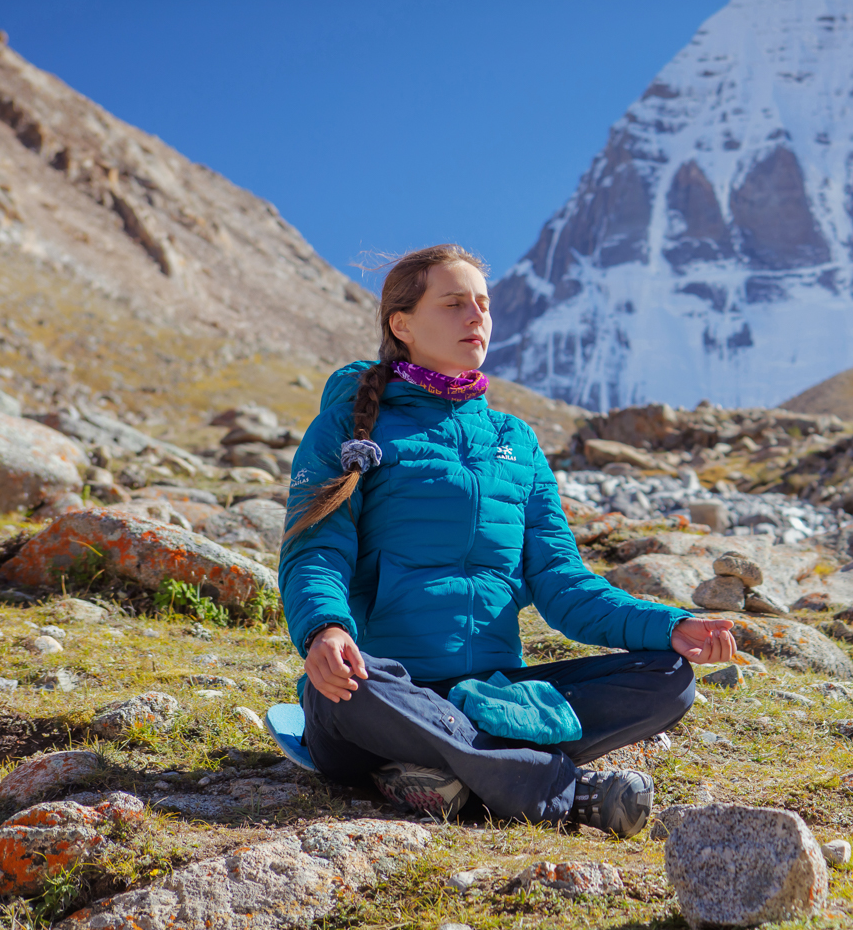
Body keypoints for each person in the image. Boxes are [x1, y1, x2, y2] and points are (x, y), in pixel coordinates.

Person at [278, 243, 735, 837]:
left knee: (669, 677)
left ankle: (446, 772)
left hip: (489, 693)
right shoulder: (348, 426)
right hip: (386, 691)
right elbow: (316, 550)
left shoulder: (515, 440)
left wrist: (670, 626)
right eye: (454, 304)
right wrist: (325, 629)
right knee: (348, 692)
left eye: (484, 304)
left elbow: (563, 583)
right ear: (402, 325)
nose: (477, 317)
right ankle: (561, 791)